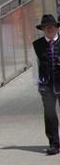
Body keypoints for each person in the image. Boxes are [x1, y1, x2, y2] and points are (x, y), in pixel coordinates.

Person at [33, 15, 60, 156]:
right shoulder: (37, 45)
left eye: (52, 26)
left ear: (57, 27)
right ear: (42, 29)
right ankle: (54, 143)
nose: (49, 29)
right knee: (49, 114)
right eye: (46, 27)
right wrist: (37, 84)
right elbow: (35, 65)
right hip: (47, 84)